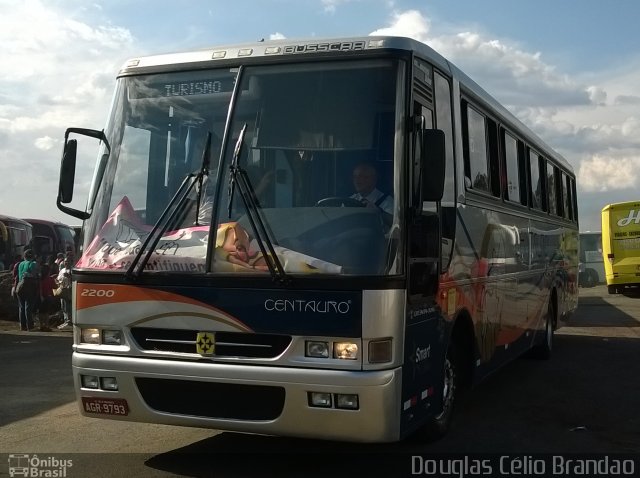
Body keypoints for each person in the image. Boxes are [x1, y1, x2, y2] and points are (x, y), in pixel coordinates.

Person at [16, 249, 40, 331]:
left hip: (19, 287)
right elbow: (36, 275)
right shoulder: (33, 264)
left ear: (24, 256)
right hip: (30, 287)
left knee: (21, 307)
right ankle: (30, 326)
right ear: (33, 256)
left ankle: (22, 326)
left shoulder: (20, 264)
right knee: (28, 307)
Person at [56, 258, 73, 329]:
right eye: (65, 262)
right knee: (63, 306)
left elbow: (75, 279)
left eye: (67, 261)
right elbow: (58, 278)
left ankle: (69, 321)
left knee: (68, 306)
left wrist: (69, 276)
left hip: (69, 290)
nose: (66, 263)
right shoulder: (62, 270)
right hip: (62, 289)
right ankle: (65, 320)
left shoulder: (72, 270)